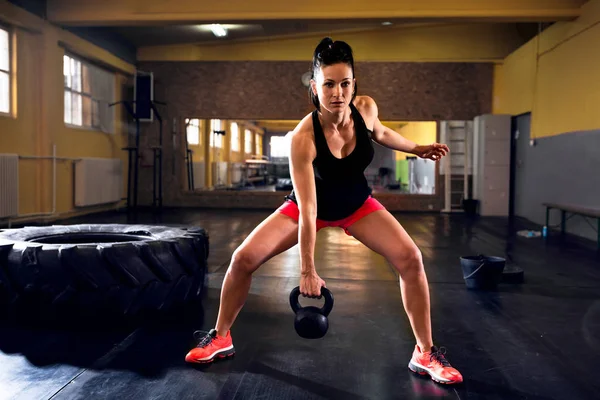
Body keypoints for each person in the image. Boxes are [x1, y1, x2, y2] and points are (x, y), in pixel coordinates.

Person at [185, 37, 463, 385]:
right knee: (242, 258)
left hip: (356, 204)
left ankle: (425, 352)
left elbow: (380, 132)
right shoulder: (303, 137)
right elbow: (309, 206)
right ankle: (221, 336)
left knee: (411, 258)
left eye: (345, 83)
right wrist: (307, 271)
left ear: (354, 84)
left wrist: (417, 148)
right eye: (329, 84)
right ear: (315, 87)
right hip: (308, 206)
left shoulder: (366, 108)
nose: (338, 93)